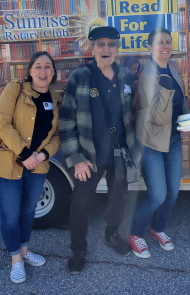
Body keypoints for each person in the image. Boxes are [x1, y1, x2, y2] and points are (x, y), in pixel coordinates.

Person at [59, 26, 142, 274]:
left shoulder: (126, 76)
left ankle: (111, 234)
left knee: (118, 200)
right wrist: (76, 159)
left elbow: (131, 115)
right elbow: (66, 122)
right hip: (88, 157)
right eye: (100, 44)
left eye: (111, 44)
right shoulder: (80, 76)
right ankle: (78, 248)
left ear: (117, 49)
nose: (106, 48)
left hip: (119, 154)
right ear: (91, 48)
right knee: (81, 203)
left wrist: (134, 152)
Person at [0, 51, 62, 284]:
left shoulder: (55, 98)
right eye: (38, 66)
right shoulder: (15, 89)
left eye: (47, 67)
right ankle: (16, 260)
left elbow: (57, 136)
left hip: (37, 166)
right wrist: (26, 154)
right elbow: (0, 122)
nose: (43, 71)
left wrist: (41, 155)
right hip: (6, 164)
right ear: (30, 71)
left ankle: (24, 249)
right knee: (10, 216)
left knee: (29, 211)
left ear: (53, 72)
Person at [126, 27, 190, 258]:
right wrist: (164, 87)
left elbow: (181, 100)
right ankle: (134, 233)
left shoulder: (173, 67)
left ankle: (157, 228)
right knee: (158, 195)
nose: (165, 46)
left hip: (173, 138)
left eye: (168, 41)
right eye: (159, 42)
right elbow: (157, 116)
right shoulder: (147, 76)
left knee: (173, 191)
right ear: (150, 47)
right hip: (151, 140)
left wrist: (189, 120)